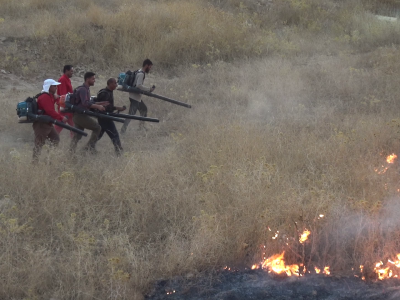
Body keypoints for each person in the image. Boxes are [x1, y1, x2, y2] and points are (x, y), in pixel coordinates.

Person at [69, 72, 108, 154]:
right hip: (80, 115)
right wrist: (98, 107)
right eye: (93, 79)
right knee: (97, 128)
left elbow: (88, 102)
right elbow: (85, 103)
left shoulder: (86, 88)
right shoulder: (83, 89)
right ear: (87, 79)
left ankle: (70, 153)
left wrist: (100, 104)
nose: (94, 80)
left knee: (77, 135)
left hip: (78, 115)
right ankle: (88, 148)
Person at [33, 79, 68, 163]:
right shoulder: (45, 97)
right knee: (39, 144)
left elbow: (56, 100)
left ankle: (49, 160)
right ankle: (34, 163)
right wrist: (61, 117)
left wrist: (57, 97)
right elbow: (50, 111)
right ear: (49, 87)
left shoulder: (49, 95)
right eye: (54, 86)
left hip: (48, 123)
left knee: (55, 139)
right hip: (42, 124)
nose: (56, 87)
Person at [120, 59, 155, 134]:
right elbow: (138, 85)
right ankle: (123, 130)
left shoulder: (138, 71)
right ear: (146, 65)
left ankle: (141, 127)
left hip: (135, 96)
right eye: (150, 67)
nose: (150, 68)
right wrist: (149, 89)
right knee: (131, 114)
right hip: (135, 97)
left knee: (144, 109)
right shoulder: (141, 74)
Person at [95, 78, 126, 155]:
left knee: (98, 135)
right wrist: (118, 108)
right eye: (115, 83)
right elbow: (104, 107)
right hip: (105, 118)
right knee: (114, 135)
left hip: (105, 117)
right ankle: (119, 152)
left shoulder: (109, 92)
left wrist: (118, 109)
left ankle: (88, 148)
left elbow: (109, 106)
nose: (116, 85)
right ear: (110, 84)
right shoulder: (104, 93)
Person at [55, 65, 74, 137]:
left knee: (72, 125)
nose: (72, 73)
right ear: (66, 70)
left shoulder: (67, 79)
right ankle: (51, 137)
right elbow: (63, 95)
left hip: (68, 106)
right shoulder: (62, 79)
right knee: (61, 124)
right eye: (71, 71)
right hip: (64, 106)